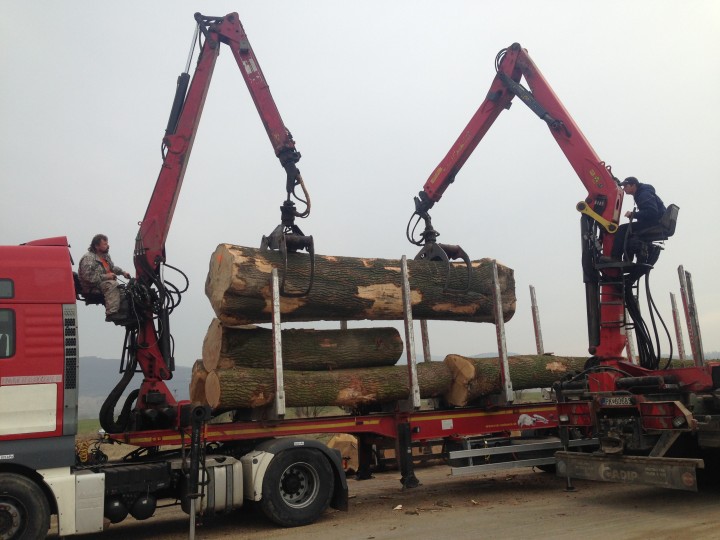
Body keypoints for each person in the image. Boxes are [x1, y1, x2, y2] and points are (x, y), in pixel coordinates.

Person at [610, 176, 667, 261]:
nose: (624, 188)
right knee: (630, 232)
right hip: (655, 221)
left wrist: (633, 214)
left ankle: (615, 258)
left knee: (622, 229)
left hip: (654, 222)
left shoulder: (644, 194)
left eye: (626, 186)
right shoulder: (642, 192)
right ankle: (627, 260)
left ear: (633, 185)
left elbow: (652, 212)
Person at [78, 234, 131, 321]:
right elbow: (88, 277)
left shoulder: (105, 256)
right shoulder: (88, 258)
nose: (108, 246)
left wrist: (123, 273)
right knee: (112, 285)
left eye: (107, 243)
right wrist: (107, 276)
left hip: (102, 283)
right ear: (96, 246)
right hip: (92, 287)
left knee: (123, 289)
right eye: (105, 244)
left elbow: (112, 268)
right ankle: (111, 313)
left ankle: (123, 313)